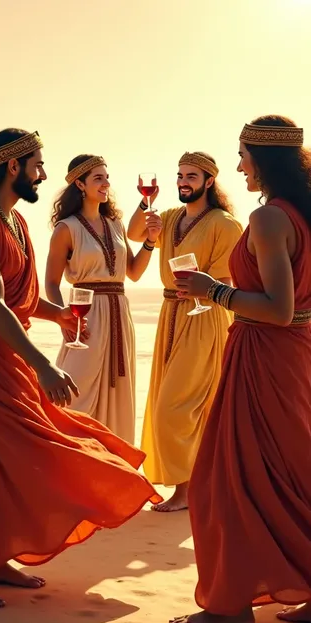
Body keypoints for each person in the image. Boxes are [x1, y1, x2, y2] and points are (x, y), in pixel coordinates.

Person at [0, 128, 157, 611]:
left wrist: (58, 314)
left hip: (3, 348)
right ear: (13, 167)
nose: (44, 174)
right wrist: (44, 364)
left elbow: (21, 299)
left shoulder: (14, 220)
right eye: (38, 165)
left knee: (12, 453)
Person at [169, 115, 311, 623]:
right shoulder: (302, 215)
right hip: (295, 355)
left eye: (243, 156)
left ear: (264, 160)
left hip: (267, 355)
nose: (237, 167)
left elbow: (276, 308)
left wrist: (215, 291)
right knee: (291, 474)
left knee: (222, 480)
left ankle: (229, 608)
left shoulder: (271, 220)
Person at [127, 153, 242, 512]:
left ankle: (186, 490)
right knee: (182, 405)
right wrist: (146, 202)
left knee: (173, 408)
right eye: (179, 175)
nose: (183, 181)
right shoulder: (170, 218)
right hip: (170, 314)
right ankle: (199, 486)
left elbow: (226, 280)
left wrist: (201, 290)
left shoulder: (225, 224)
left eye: (191, 176)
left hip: (204, 317)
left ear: (209, 181)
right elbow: (133, 234)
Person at [45, 154, 156, 445]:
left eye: (106, 177)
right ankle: (69, 464)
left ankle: (115, 475)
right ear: (79, 184)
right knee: (76, 393)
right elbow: (51, 283)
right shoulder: (66, 228)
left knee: (118, 394)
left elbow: (132, 273)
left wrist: (150, 242)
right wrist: (62, 320)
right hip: (86, 317)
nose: (106, 183)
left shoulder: (116, 224)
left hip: (120, 314)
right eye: (98, 178)